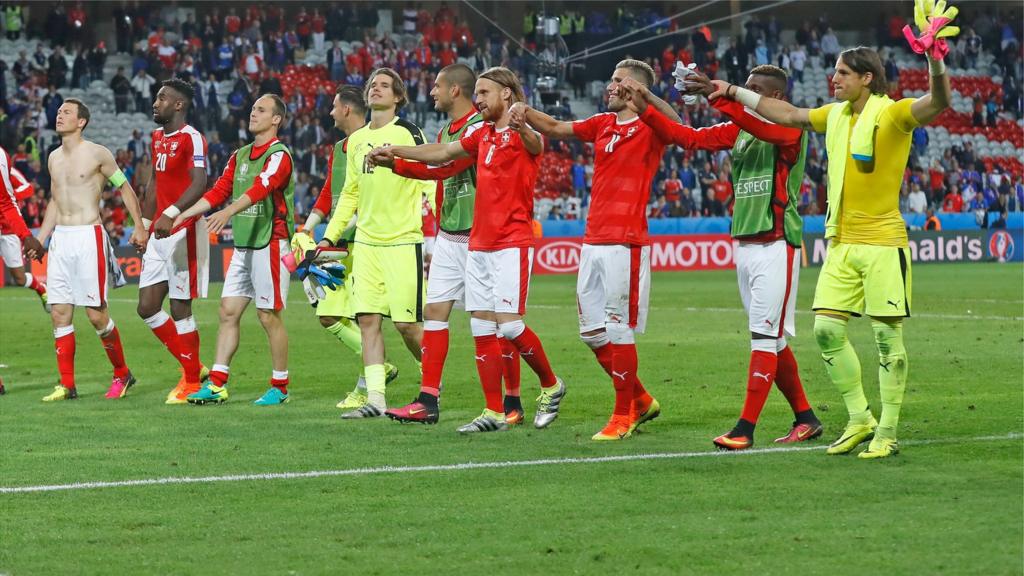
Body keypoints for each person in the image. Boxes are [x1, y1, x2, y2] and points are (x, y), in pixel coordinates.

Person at [708, 13, 955, 457]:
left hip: (882, 243)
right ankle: (860, 418)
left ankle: (887, 431)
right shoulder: (834, 116)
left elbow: (937, 103)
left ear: (866, 78)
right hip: (839, 242)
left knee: (886, 339)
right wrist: (730, 91)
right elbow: (783, 111)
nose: (833, 77)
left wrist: (936, 62)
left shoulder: (894, 113)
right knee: (824, 331)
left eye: (842, 72)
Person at [628, 64, 824, 450]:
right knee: (774, 340)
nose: (744, 93)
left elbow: (764, 127)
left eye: (753, 89)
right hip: (746, 244)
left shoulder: (789, 128)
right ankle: (806, 418)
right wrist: (646, 105)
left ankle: (745, 430)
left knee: (764, 338)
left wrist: (720, 95)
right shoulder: (740, 131)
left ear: (777, 98)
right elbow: (687, 138)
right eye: (743, 88)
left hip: (776, 243)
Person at [370, 67, 565, 433]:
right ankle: (492, 410)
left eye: (485, 92)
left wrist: (523, 122)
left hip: (510, 242)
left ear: (507, 94)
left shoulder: (524, 135)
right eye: (476, 92)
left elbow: (538, 142)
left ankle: (549, 385)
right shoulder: (483, 135)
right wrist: (395, 151)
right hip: (477, 243)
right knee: (480, 326)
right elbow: (443, 152)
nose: (479, 99)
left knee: (509, 327)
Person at [508, 59, 674, 440]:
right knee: (592, 332)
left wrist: (645, 97)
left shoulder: (653, 126)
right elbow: (554, 127)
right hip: (593, 239)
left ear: (635, 89)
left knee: (618, 328)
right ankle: (642, 399)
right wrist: (525, 110)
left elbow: (675, 118)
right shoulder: (602, 123)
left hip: (625, 241)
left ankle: (623, 416)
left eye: (619, 82)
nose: (610, 86)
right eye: (612, 80)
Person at [313, 69, 432, 419]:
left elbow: (429, 178)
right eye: (371, 86)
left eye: (383, 85)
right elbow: (350, 192)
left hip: (402, 241)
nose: (375, 90)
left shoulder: (409, 132)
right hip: (366, 244)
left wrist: (437, 211)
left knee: (408, 326)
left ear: (397, 96)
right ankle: (376, 400)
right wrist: (329, 236)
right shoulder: (356, 141)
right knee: (367, 320)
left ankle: (432, 384)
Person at [173, 94, 295, 406]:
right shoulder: (240, 155)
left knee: (268, 316)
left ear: (276, 119)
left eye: (262, 110)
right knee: (228, 312)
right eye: (253, 109)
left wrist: (228, 212)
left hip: (270, 242)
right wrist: (181, 214)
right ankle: (217, 383)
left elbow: (261, 188)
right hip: (244, 244)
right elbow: (219, 190)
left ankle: (280, 387)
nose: (253, 113)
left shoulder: (279, 155)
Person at [291, 84, 399, 411]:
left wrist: (341, 231)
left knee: (389, 320)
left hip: (370, 243)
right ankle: (381, 370)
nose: (330, 112)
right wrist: (308, 227)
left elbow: (372, 198)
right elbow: (330, 192)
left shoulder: (376, 141)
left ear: (347, 109)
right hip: (339, 246)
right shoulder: (340, 148)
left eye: (334, 107)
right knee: (329, 315)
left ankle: (411, 380)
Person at [32, 98, 148, 401]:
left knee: (96, 316)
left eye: (66, 112)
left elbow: (124, 186)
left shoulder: (98, 153)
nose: (60, 116)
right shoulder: (53, 158)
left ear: (81, 121)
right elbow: (55, 201)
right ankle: (67, 385)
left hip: (88, 236)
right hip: (61, 239)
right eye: (58, 112)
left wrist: (138, 226)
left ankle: (122, 373)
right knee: (59, 313)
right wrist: (41, 237)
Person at [134, 78, 210, 405]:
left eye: (162, 98)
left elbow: (200, 183)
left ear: (178, 105)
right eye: (156, 98)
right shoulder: (156, 138)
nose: (156, 103)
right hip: (159, 232)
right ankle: (193, 367)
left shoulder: (192, 138)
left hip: (185, 229)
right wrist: (146, 224)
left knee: (180, 306)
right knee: (147, 307)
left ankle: (192, 382)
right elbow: (154, 183)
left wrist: (173, 213)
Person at [1, 165, 48, 309]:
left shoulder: (5, 167)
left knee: (20, 278)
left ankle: (42, 289)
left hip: (9, 229)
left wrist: (8, 196)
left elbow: (27, 188)